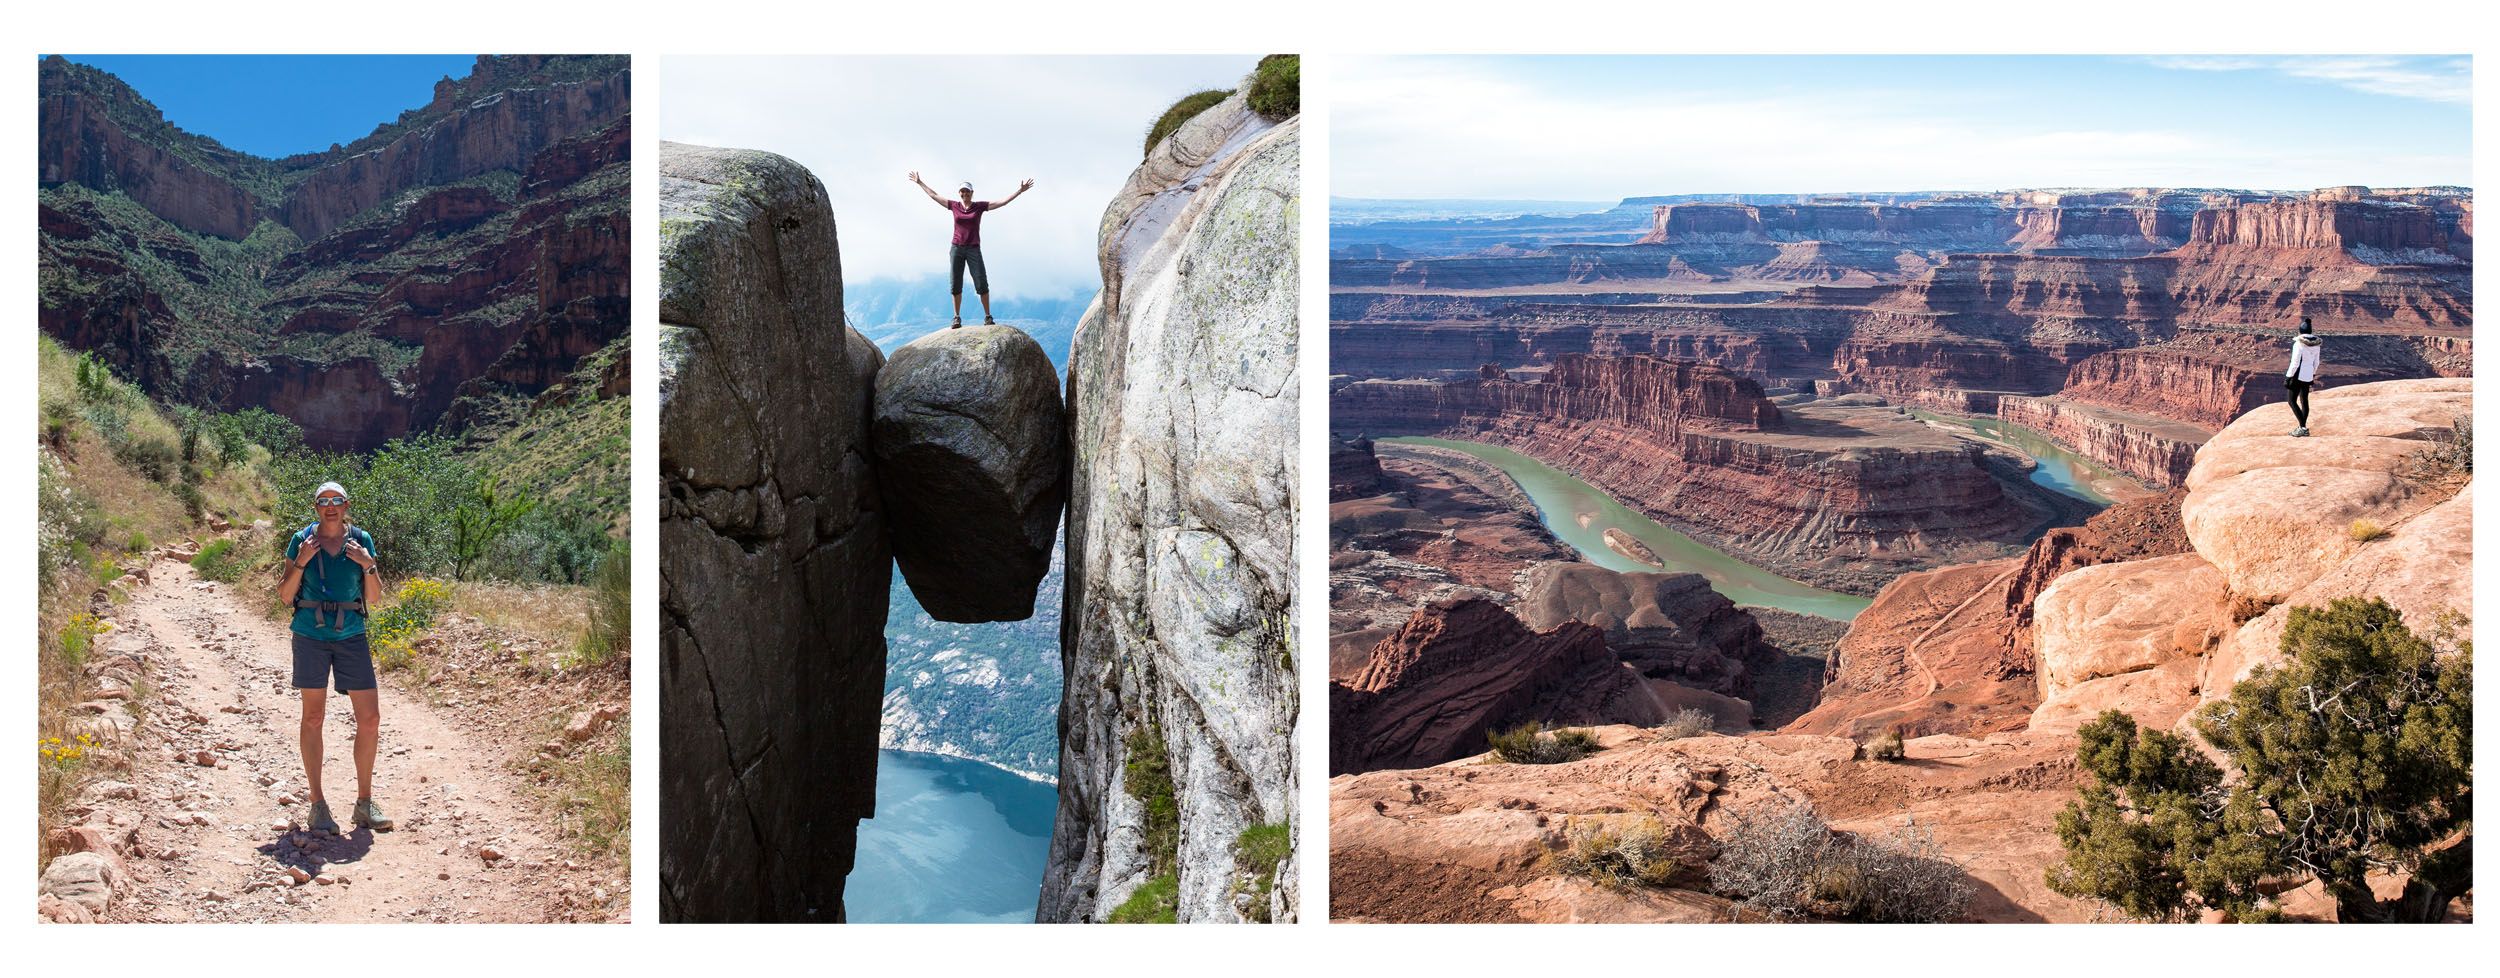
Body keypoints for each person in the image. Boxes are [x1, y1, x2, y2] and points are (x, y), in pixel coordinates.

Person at [275, 481, 393, 834]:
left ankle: (364, 803)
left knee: (369, 718)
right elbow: (284, 595)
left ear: (346, 505)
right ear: (315, 507)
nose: (330, 506)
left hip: (352, 634)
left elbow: (375, 598)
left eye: (336, 501)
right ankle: (317, 805)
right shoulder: (302, 541)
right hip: (310, 635)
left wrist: (369, 565)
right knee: (313, 717)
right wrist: (301, 562)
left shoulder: (361, 540)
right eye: (323, 501)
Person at [908, 171, 1035, 327]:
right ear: (959, 193)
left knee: (981, 282)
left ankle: (988, 316)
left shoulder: (979, 207)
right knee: (955, 283)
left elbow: (1002, 202)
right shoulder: (954, 206)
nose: (964, 193)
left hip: (973, 248)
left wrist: (1019, 191)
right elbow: (934, 195)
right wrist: (920, 182)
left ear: (972, 193)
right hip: (957, 248)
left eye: (967, 191)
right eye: (962, 191)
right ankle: (956, 317)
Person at [2285, 317, 2323, 437]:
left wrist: (2288, 376)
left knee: (2291, 401)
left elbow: (2295, 362)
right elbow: (2316, 362)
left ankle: (2302, 428)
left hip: (2297, 375)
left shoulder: (2299, 344)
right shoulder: (2317, 345)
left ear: (2300, 331)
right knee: (2304, 400)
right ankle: (2303, 427)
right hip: (2308, 375)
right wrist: (2312, 373)